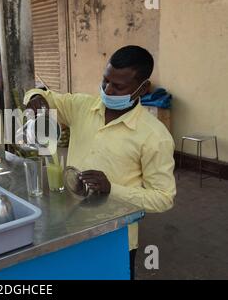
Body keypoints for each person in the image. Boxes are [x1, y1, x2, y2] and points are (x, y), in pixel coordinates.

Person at [24, 45, 176, 280]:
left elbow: (163, 198)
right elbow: (41, 94)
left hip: (115, 237)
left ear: (143, 88)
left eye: (118, 86)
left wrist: (112, 189)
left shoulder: (154, 136)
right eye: (105, 81)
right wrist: (36, 99)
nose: (107, 90)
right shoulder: (82, 107)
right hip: (70, 225)